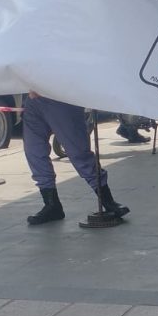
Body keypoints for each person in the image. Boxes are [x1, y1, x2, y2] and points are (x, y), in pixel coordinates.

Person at [22, 92, 130, 224]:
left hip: (60, 96)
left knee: (78, 151)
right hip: (34, 100)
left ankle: (108, 201)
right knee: (34, 151)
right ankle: (51, 204)